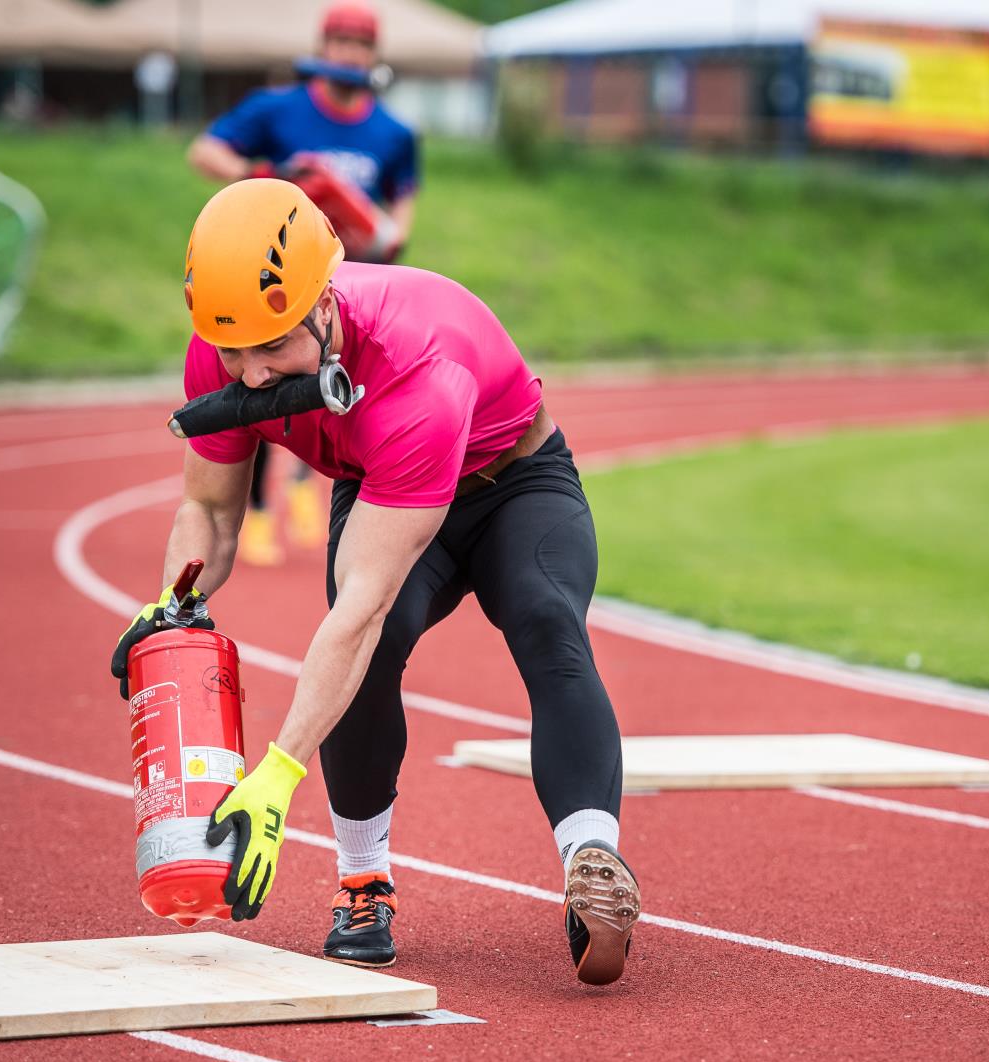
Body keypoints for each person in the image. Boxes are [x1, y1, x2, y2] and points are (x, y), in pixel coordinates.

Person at [110, 180, 639, 987]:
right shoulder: (222, 342)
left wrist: (277, 775)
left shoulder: (414, 369)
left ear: (325, 302)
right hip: (376, 477)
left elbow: (361, 607)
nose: (250, 376)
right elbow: (209, 514)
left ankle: (591, 860)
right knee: (370, 661)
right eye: (232, 352)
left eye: (273, 347)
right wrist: (174, 603)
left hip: (512, 481)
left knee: (544, 622)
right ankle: (364, 885)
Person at [187, 0, 419, 564]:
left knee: (346, 402)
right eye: (339, 42)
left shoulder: (393, 132)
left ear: (373, 55)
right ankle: (261, 510)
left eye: (360, 45)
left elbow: (402, 210)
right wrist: (265, 178)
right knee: (260, 387)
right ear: (322, 48)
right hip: (274, 286)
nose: (349, 54)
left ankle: (309, 487)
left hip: (348, 288)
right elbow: (205, 151)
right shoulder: (278, 108)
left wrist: (382, 237)